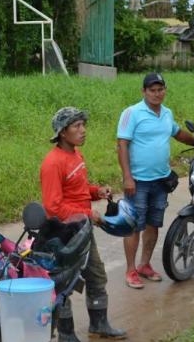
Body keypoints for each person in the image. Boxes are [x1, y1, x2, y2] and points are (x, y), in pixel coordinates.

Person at [40, 107, 126, 341]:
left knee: (96, 275)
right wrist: (88, 213)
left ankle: (99, 324)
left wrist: (96, 192)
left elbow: (77, 191)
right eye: (76, 126)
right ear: (62, 132)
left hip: (82, 229)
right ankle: (66, 335)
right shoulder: (52, 163)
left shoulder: (77, 155)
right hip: (64, 234)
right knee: (65, 284)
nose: (83, 130)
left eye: (83, 125)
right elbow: (53, 207)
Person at [117, 73, 194, 289]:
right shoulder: (131, 113)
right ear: (144, 92)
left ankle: (144, 265)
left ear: (165, 90)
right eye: (152, 90)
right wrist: (127, 177)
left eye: (160, 89)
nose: (156, 93)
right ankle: (131, 270)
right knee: (134, 226)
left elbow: (178, 134)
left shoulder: (167, 114)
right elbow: (122, 144)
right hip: (138, 182)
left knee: (153, 224)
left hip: (161, 180)